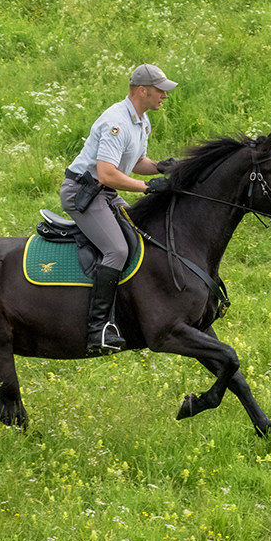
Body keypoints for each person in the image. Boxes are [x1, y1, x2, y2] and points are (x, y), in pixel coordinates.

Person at [60, 64, 179, 355]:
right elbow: (107, 174)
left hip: (105, 194)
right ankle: (97, 328)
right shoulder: (117, 122)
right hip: (83, 194)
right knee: (117, 250)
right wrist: (148, 187)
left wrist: (161, 166)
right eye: (160, 90)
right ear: (143, 91)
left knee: (140, 237)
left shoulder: (142, 121)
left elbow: (135, 161)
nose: (165, 95)